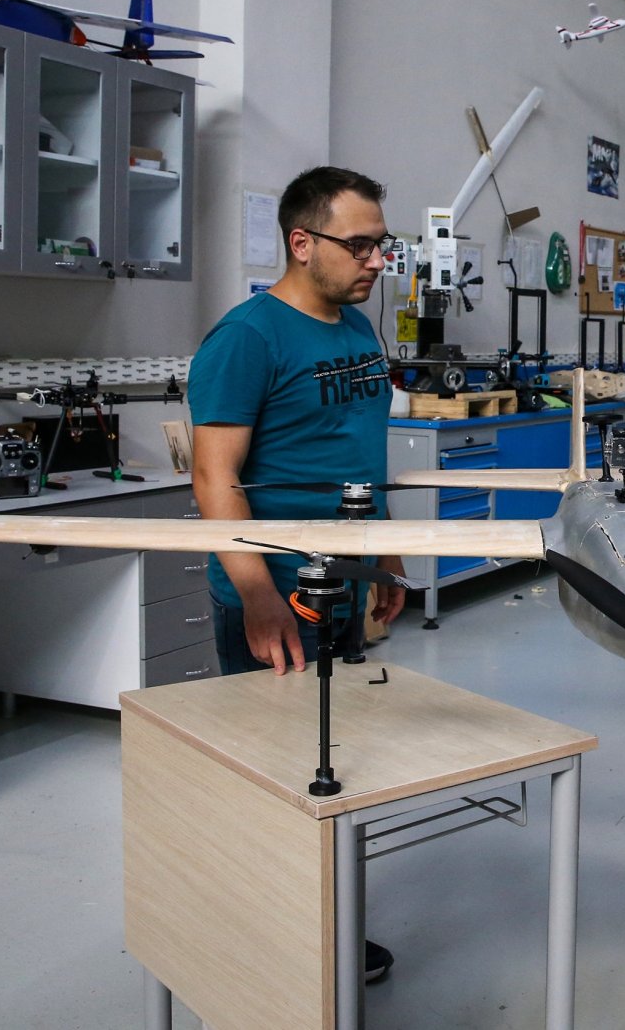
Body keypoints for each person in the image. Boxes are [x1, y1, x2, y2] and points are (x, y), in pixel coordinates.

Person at [188, 165, 407, 982]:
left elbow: (358, 456)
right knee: (276, 765)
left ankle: (328, 926)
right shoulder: (248, 337)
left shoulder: (356, 330)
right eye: (359, 244)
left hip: (342, 582)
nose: (375, 260)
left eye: (380, 244)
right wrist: (256, 594)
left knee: (336, 755)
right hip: (272, 591)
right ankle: (269, 941)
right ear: (301, 241)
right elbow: (215, 477)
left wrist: (383, 553)